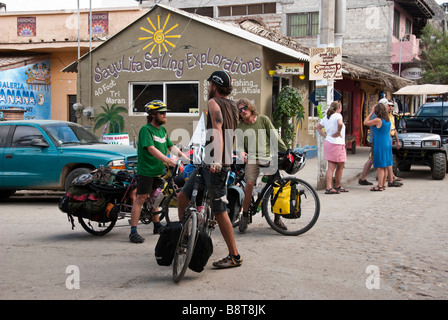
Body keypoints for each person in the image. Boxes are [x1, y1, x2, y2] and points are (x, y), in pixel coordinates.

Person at [177, 70, 242, 269]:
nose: (208, 88)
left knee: (220, 210)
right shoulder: (233, 105)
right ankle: (186, 238)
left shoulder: (214, 103)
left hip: (215, 165)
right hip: (209, 163)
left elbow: (219, 130)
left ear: (214, 85)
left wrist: (217, 160)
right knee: (182, 197)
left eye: (209, 85)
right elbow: (231, 134)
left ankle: (234, 256)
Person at [129, 100, 186, 243]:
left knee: (155, 198)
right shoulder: (146, 130)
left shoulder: (162, 130)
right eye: (162, 113)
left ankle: (156, 225)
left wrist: (187, 159)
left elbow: (171, 147)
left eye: (165, 112)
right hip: (146, 171)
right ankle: (133, 231)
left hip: (157, 171)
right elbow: (151, 148)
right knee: (140, 199)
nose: (165, 115)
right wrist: (167, 160)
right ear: (153, 114)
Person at [236, 98, 288, 232]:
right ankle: (245, 215)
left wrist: (286, 151)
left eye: (244, 108)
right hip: (252, 159)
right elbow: (240, 146)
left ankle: (277, 218)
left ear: (250, 107)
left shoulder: (263, 119)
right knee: (249, 184)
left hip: (268, 157)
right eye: (240, 110)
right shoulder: (240, 126)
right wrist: (241, 153)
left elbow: (274, 136)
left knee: (277, 187)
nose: (243, 111)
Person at [316, 101, 348, 194]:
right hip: (338, 143)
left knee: (331, 167)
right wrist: (338, 131)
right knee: (340, 167)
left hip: (329, 143)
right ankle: (337, 185)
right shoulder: (338, 115)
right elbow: (340, 123)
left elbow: (318, 128)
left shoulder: (327, 117)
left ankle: (329, 187)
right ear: (339, 108)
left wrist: (325, 135)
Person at [363, 102, 392, 191]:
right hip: (387, 143)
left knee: (379, 166)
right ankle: (383, 185)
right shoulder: (388, 120)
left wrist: (371, 112)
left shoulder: (378, 120)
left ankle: (379, 186)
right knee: (385, 165)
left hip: (380, 144)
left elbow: (365, 122)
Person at [386, 99, 403, 187]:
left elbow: (394, 129)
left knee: (389, 159)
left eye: (392, 106)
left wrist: (397, 141)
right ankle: (390, 178)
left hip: (390, 138)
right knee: (385, 160)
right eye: (389, 105)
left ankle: (391, 177)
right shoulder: (384, 117)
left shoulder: (391, 116)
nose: (391, 107)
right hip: (384, 138)